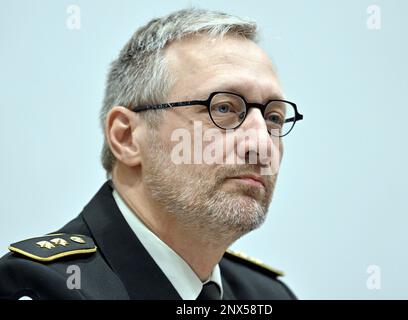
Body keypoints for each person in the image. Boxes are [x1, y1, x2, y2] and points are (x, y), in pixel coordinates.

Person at [0, 8, 302, 300]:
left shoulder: (269, 294)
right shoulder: (42, 287)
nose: (262, 145)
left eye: (273, 118)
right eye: (223, 108)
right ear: (127, 137)